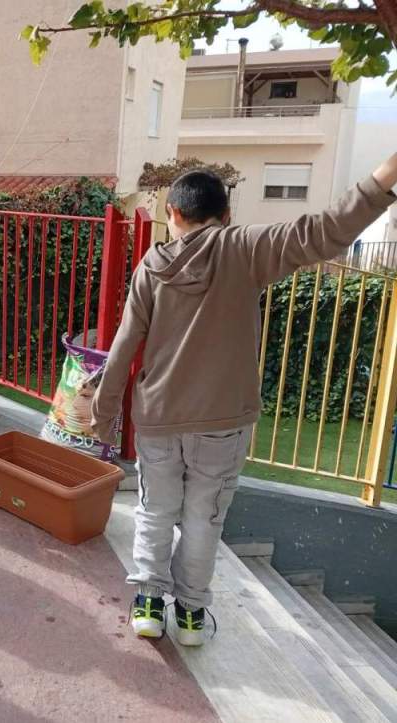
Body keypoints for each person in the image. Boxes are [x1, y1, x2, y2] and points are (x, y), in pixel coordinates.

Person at [91, 153, 397, 646]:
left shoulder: (153, 265)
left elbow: (125, 343)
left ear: (172, 212)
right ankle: (191, 614)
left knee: (155, 509)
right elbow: (324, 231)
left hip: (159, 419)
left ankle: (148, 602)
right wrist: (386, 175)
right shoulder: (244, 248)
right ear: (226, 215)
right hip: (223, 423)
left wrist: (104, 414)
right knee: (204, 517)